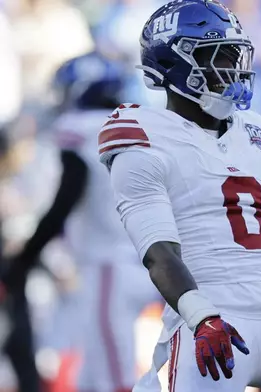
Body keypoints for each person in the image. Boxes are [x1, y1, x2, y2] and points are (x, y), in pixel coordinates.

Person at [97, 1, 261, 391]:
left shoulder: (257, 132)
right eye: (218, 57)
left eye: (235, 54)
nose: (233, 68)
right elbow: (160, 254)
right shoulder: (142, 133)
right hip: (216, 322)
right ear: (173, 64)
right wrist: (202, 317)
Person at [2, 51, 161, 392]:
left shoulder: (83, 129)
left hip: (107, 263)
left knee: (115, 375)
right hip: (141, 258)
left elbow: (66, 197)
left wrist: (27, 256)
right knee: (91, 375)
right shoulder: (133, 126)